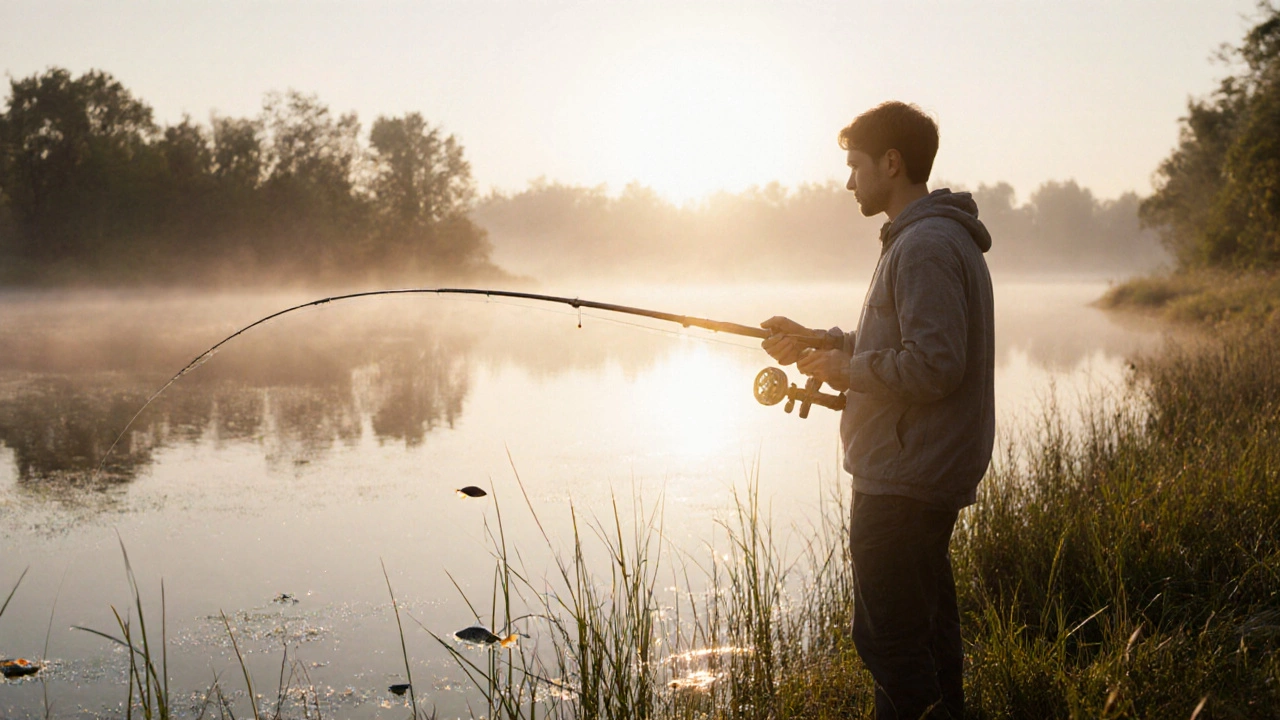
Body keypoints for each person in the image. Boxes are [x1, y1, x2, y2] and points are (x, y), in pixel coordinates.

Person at [761, 101, 994, 720]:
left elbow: (933, 366)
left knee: (890, 647)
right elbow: (904, 347)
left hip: (906, 477)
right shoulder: (927, 239)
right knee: (928, 639)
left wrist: (845, 369)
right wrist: (827, 342)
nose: (848, 181)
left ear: (891, 163)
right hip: (916, 471)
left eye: (856, 165)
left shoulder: (925, 244)